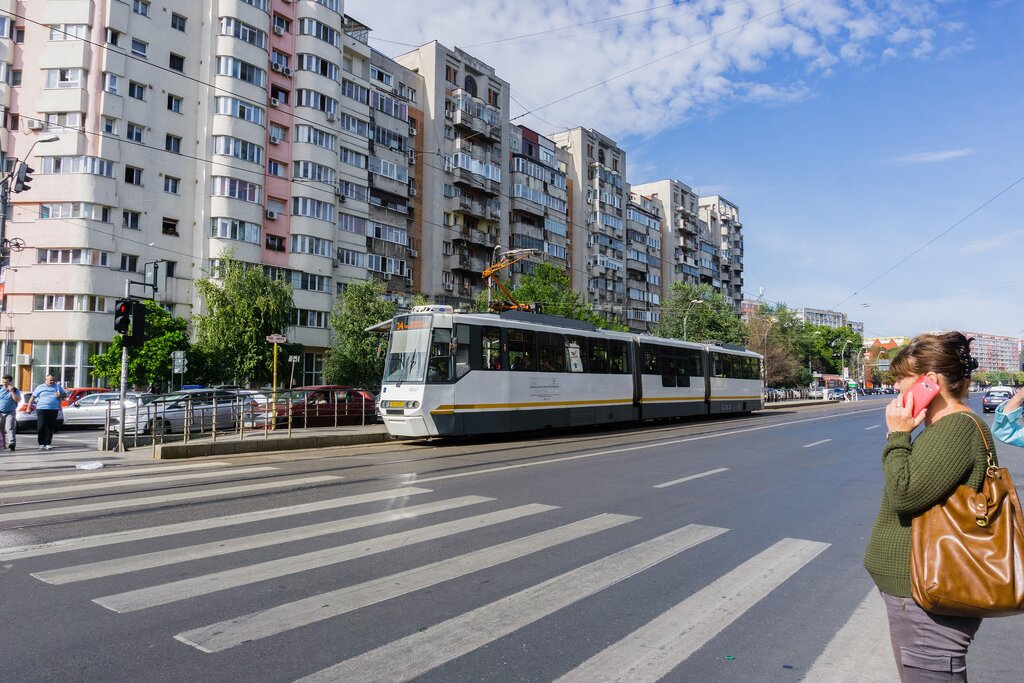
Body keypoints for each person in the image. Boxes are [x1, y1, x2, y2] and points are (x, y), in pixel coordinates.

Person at [863, 332, 990, 682]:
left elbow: (905, 494)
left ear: (929, 382)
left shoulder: (955, 428)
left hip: (925, 594)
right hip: (919, 592)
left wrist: (897, 436)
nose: (896, 389)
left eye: (901, 380)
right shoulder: (944, 427)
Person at [27, 373, 66, 450]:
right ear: (46, 380)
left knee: (50, 426)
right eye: (51, 380)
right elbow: (32, 397)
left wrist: (60, 395)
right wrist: (28, 407)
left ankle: (48, 443)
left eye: (54, 380)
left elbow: (65, 395)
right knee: (41, 426)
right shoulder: (40, 387)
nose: (52, 382)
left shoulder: (57, 387)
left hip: (53, 409)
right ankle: (41, 443)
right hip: (41, 408)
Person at [0, 374, 21, 450]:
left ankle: (12, 443)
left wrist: (12, 392)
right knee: (0, 428)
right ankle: (2, 444)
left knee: (9, 428)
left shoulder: (15, 390)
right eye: (3, 382)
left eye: (6, 382)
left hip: (10, 412)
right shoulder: (0, 389)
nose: (4, 384)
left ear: (10, 382)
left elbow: (17, 400)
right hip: (0, 412)